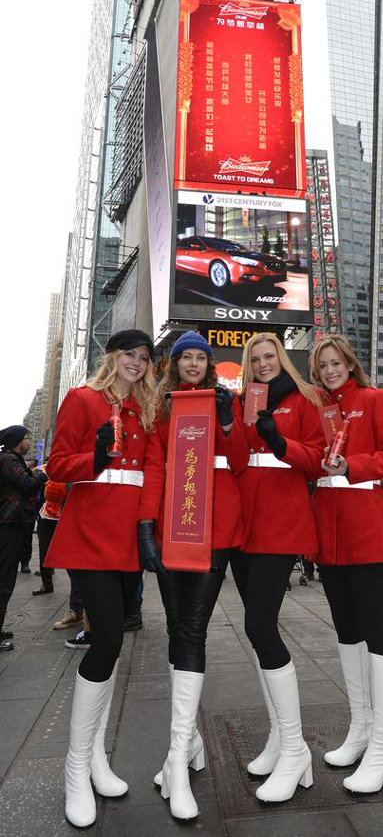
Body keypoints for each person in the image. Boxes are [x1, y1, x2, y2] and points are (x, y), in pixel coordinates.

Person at [44, 328, 160, 828]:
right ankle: (76, 768)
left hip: (127, 537)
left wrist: (148, 526)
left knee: (113, 644)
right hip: (91, 531)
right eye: (129, 355)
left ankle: (94, 757)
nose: (136, 363)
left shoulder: (146, 408)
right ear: (111, 357)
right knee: (107, 636)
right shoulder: (82, 398)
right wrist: (92, 458)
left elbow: (152, 471)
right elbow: (56, 464)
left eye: (143, 357)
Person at [141, 331, 248, 820]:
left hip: (215, 531)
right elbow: (156, 469)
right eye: (185, 355)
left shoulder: (227, 401)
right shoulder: (160, 408)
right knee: (177, 624)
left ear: (209, 363)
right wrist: (146, 525)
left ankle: (176, 760)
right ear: (174, 362)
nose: (192, 362)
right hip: (172, 531)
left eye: (200, 356)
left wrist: (228, 421)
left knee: (193, 628)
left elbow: (242, 462)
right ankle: (189, 743)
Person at [308, 333, 383, 794]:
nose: (330, 371)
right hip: (328, 530)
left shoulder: (374, 399)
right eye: (322, 366)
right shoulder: (317, 409)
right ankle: (361, 729)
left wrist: (350, 465)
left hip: (367, 525)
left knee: (374, 627)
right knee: (346, 629)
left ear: (350, 363)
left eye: (336, 363)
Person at [231, 332, 324, 804]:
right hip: (246, 527)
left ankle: (294, 747)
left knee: (260, 626)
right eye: (257, 359)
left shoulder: (304, 398)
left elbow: (319, 461)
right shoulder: (247, 399)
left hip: (281, 527)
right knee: (257, 630)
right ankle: (278, 737)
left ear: (282, 359)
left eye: (271, 357)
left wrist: (279, 441)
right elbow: (237, 460)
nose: (264, 364)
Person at [0, 426, 46, 651]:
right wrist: (41, 473)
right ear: (18, 441)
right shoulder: (9, 459)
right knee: (4, 581)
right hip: (9, 524)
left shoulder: (11, 459)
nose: (29, 441)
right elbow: (27, 484)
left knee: (6, 579)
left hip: (12, 523)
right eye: (27, 438)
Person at [32, 479, 68, 595]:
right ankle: (47, 584)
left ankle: (78, 590)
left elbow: (52, 493)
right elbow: (49, 494)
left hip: (64, 516)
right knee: (44, 551)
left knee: (69, 555)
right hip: (48, 516)